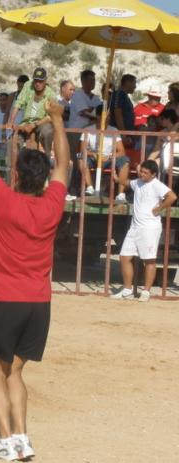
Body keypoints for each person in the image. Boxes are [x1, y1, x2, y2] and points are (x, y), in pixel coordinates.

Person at [0, 93, 69, 461]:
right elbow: (64, 164)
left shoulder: (6, 201)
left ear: (16, 175)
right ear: (44, 179)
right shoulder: (53, 204)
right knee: (16, 371)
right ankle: (23, 438)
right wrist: (57, 120)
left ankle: (5, 440)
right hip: (38, 304)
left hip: (6, 300)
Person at [111, 160, 176, 302]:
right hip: (134, 227)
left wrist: (159, 208)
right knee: (124, 257)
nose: (142, 174)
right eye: (141, 171)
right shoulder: (138, 182)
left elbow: (172, 196)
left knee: (149, 260)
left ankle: (146, 292)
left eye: (145, 173)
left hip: (149, 228)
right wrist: (117, 178)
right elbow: (127, 182)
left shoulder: (157, 185)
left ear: (153, 174)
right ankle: (127, 290)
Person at [79, 104, 130, 201]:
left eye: (109, 116)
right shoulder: (88, 130)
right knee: (80, 157)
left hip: (109, 159)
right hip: (93, 158)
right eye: (106, 116)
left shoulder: (114, 130)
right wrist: (93, 154)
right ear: (98, 116)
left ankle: (120, 194)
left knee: (125, 160)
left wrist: (110, 156)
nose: (109, 118)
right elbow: (82, 150)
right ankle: (90, 187)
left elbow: (122, 151)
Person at [7, 67, 57, 158]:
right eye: (36, 80)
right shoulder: (28, 85)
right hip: (26, 122)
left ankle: (47, 157)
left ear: (45, 80)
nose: (37, 83)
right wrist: (11, 121)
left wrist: (34, 125)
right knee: (12, 141)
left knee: (47, 131)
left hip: (41, 123)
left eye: (40, 81)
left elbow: (50, 116)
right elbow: (18, 103)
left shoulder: (51, 94)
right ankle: (11, 165)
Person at [68, 70, 103, 196]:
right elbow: (84, 112)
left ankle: (84, 188)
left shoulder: (96, 98)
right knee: (75, 160)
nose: (93, 82)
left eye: (94, 80)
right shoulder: (78, 95)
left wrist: (93, 112)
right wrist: (94, 114)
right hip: (76, 132)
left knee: (85, 160)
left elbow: (100, 110)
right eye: (90, 80)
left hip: (90, 134)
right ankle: (72, 189)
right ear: (83, 81)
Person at [109, 74, 137, 147]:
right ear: (128, 82)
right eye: (134, 83)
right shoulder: (119, 94)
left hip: (125, 133)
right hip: (120, 135)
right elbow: (117, 114)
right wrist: (123, 134)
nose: (135, 86)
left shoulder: (124, 95)